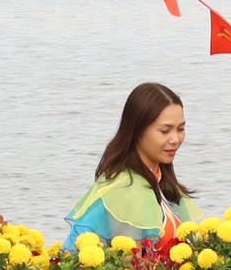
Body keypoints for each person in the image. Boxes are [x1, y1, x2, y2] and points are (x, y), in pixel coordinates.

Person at [65, 82, 194, 248]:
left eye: (181, 129)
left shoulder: (160, 179)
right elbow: (131, 264)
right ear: (137, 130)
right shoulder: (126, 188)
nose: (175, 139)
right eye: (165, 131)